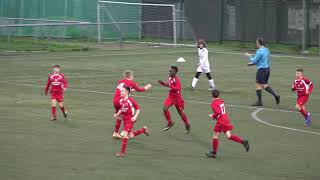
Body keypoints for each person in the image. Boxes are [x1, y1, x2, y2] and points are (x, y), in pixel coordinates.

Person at [205, 89, 249, 158]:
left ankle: (214, 153)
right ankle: (243, 142)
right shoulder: (221, 101)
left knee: (216, 135)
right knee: (227, 136)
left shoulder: (213, 103)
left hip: (221, 121)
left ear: (212, 96)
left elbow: (218, 112)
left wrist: (212, 116)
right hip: (225, 119)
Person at [112, 70, 152, 138]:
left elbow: (126, 90)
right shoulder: (131, 82)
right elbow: (140, 90)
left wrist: (132, 89)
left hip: (115, 100)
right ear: (131, 76)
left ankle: (116, 132)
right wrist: (146, 88)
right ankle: (127, 130)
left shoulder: (120, 81)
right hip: (122, 101)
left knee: (120, 116)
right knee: (131, 112)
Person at [114, 86, 149, 157]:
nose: (121, 92)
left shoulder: (131, 101)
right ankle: (143, 129)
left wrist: (135, 117)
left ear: (127, 92)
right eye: (121, 91)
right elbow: (121, 109)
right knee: (130, 135)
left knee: (124, 135)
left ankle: (122, 153)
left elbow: (138, 109)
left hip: (130, 120)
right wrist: (117, 114)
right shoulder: (120, 101)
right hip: (125, 120)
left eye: (122, 91)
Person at [245, 38, 280, 106]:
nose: (256, 44)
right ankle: (276, 96)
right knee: (264, 85)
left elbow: (254, 61)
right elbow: (266, 59)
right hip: (267, 69)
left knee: (258, 85)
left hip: (261, 70)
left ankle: (259, 102)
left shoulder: (259, 51)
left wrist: (249, 56)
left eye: (256, 42)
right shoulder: (267, 49)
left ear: (259, 43)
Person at [158, 66, 190, 134]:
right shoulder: (170, 77)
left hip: (177, 98)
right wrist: (163, 83)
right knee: (165, 108)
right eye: (169, 70)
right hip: (171, 96)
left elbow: (178, 88)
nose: (169, 72)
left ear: (175, 72)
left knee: (180, 112)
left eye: (171, 71)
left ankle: (187, 124)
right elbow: (169, 84)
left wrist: (169, 86)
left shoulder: (176, 80)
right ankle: (170, 123)